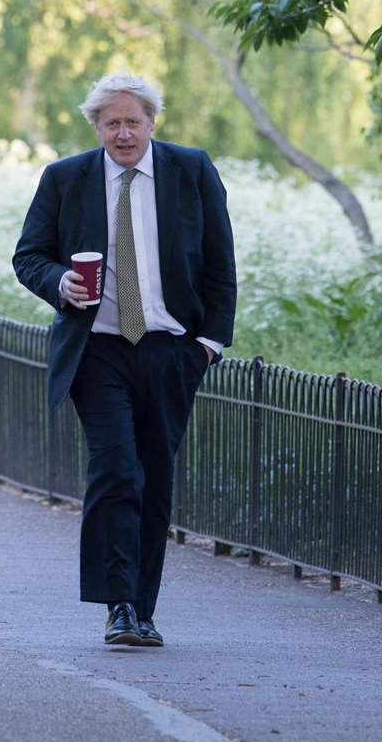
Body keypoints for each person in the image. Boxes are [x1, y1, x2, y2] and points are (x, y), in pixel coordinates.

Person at [13, 72, 236, 647]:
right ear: (97, 128)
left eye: (132, 121)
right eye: (111, 123)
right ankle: (117, 607)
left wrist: (208, 344)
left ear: (151, 123)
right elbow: (28, 255)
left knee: (154, 478)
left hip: (170, 350)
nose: (122, 133)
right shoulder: (67, 179)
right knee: (116, 471)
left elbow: (220, 261)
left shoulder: (191, 171)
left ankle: (143, 608)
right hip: (98, 351)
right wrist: (60, 281)